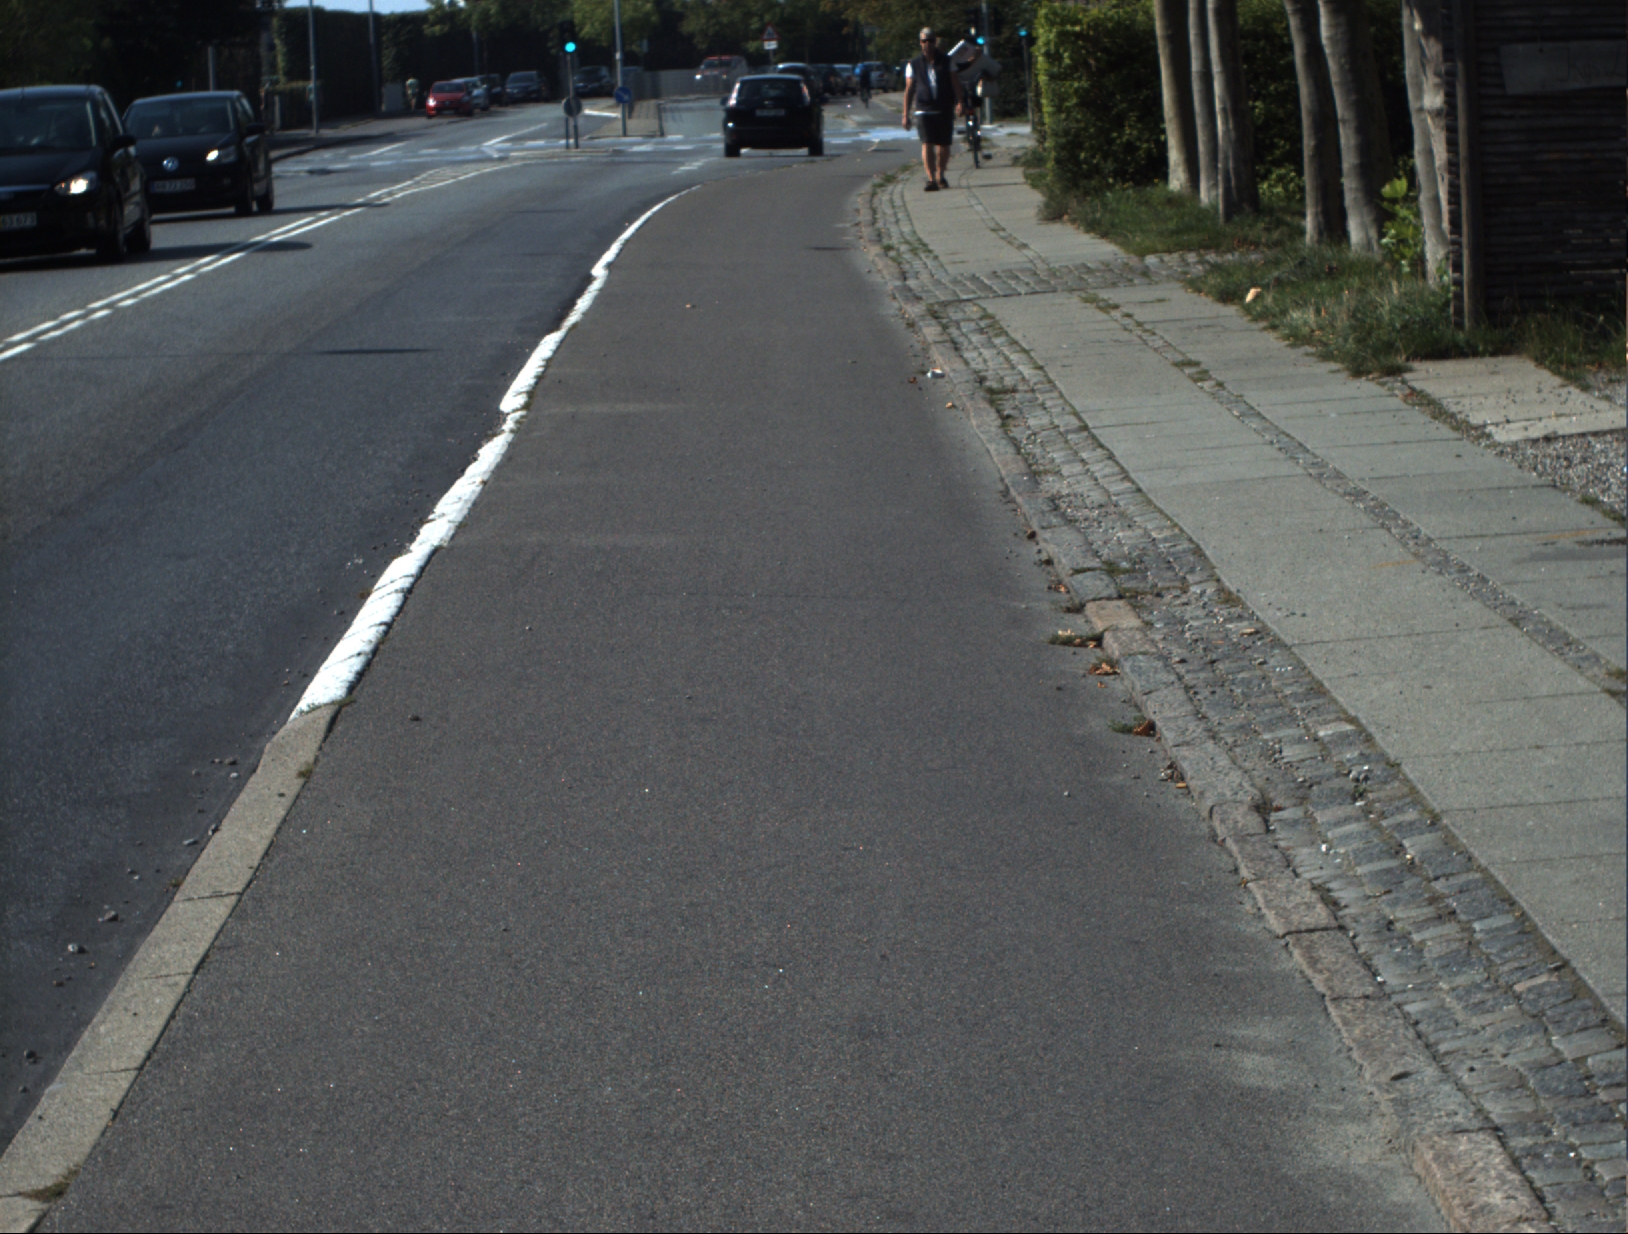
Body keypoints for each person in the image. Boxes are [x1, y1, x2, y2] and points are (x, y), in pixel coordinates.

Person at [902, 27, 965, 191]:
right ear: (920, 43)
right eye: (924, 41)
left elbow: (955, 83)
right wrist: (905, 114)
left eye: (930, 40)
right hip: (924, 108)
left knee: (944, 145)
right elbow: (909, 89)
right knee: (927, 143)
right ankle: (931, 179)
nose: (927, 44)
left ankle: (940, 174)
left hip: (944, 107)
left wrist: (960, 102)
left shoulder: (947, 61)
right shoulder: (913, 64)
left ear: (935, 42)